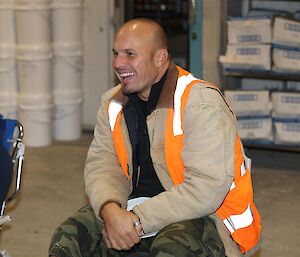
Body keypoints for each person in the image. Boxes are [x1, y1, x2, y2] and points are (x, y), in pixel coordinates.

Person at [49, 18, 261, 257]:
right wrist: (110, 210)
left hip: (201, 216)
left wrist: (137, 220)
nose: (118, 63)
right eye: (116, 53)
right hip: (133, 210)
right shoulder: (113, 104)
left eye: (130, 54)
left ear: (160, 58)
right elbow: (103, 165)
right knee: (68, 240)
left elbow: (205, 188)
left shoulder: (200, 103)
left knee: (173, 249)